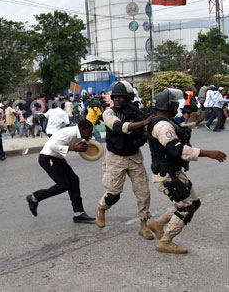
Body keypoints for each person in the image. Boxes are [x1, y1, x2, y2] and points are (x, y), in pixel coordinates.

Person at [147, 88, 226, 254]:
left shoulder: (166, 122)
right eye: (176, 104)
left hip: (174, 172)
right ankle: (165, 242)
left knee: (194, 202)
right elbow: (178, 150)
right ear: (170, 106)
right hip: (166, 175)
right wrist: (208, 153)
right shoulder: (162, 126)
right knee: (185, 208)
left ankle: (158, 223)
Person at [95, 81, 155, 240]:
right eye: (117, 97)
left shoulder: (136, 113)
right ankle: (101, 207)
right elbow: (117, 127)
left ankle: (144, 224)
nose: (119, 99)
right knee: (114, 193)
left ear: (129, 98)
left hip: (134, 157)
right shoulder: (108, 113)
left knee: (144, 193)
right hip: (116, 158)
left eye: (122, 97)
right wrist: (143, 123)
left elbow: (147, 132)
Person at [26, 120, 96, 223]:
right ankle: (34, 197)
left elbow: (76, 145)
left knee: (74, 180)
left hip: (57, 158)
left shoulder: (79, 135)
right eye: (89, 131)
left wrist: (81, 147)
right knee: (64, 184)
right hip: (47, 158)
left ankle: (78, 213)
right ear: (82, 129)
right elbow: (52, 146)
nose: (90, 134)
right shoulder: (70, 133)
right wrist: (73, 148)